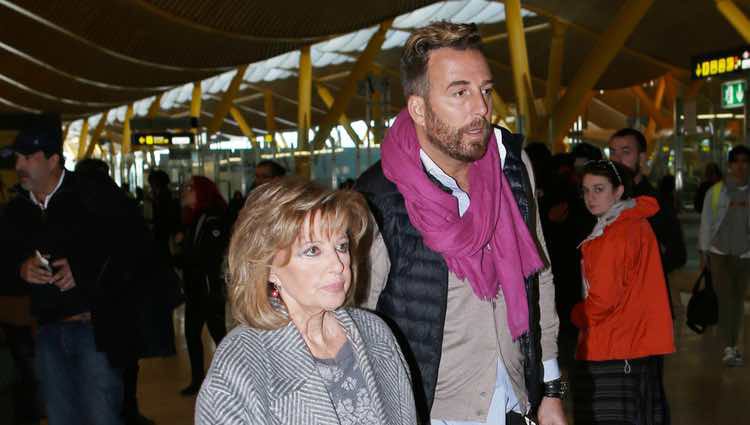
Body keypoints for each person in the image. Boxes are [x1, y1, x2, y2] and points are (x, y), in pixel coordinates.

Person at [356, 22, 566, 425]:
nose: (481, 109)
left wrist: (551, 388)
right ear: (418, 107)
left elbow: (538, 277)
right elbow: (358, 328)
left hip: (515, 404)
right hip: (435, 414)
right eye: (459, 93)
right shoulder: (378, 198)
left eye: (485, 90)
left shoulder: (512, 168)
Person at [195, 178, 416, 424]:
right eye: (312, 250)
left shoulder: (376, 333)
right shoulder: (242, 361)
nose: (338, 264)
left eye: (341, 246)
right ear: (268, 266)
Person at [0, 116, 150, 425]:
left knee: (101, 416)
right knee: (60, 418)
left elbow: (134, 252)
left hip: (94, 331)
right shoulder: (16, 212)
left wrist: (82, 270)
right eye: (17, 157)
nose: (20, 165)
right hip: (47, 332)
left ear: (54, 160)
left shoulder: (92, 198)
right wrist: (21, 269)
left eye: (28, 157)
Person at [572, 159, 674, 424]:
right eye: (585, 190)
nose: (590, 198)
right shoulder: (632, 222)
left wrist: (575, 314)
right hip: (633, 346)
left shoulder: (616, 233)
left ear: (618, 191)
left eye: (599, 189)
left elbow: (603, 300)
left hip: (613, 347)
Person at [175, 176, 229, 395]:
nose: (184, 191)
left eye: (189, 188)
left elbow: (208, 255)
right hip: (196, 288)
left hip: (207, 289)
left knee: (219, 336)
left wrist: (183, 253)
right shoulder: (194, 218)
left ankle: (233, 379)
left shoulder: (213, 218)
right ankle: (198, 380)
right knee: (192, 334)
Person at [698, 145, 750, 367]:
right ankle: (729, 347)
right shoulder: (716, 191)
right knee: (726, 299)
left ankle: (733, 343)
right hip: (719, 253)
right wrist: (703, 252)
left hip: (744, 253)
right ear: (729, 165)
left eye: (745, 161)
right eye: (736, 161)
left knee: (737, 301)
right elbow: (706, 222)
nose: (740, 166)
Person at [609, 128, 686, 275]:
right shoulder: (604, 200)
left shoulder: (656, 203)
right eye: (613, 153)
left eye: (626, 152)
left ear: (642, 158)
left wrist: (643, 274)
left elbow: (677, 254)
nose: (617, 160)